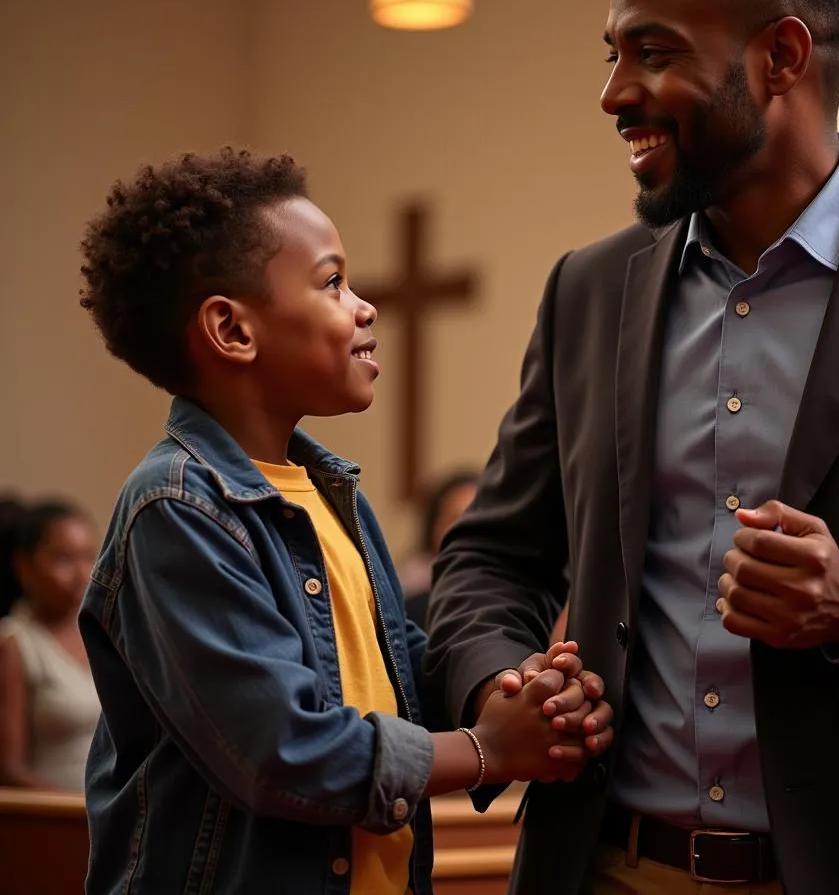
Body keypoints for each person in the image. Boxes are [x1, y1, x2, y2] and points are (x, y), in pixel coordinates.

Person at [423, 0, 839, 895]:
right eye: (609, 54)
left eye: (649, 51)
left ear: (781, 56)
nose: (615, 92)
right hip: (607, 865)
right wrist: (505, 682)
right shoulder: (590, 288)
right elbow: (490, 553)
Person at [76, 149, 614, 895]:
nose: (364, 306)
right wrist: (487, 750)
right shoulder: (177, 511)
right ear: (233, 330)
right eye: (333, 282)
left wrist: (517, 694)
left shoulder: (330, 495)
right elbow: (281, 751)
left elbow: (399, 672)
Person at [0, 498, 100, 790]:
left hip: (111, 821)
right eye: (64, 559)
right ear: (24, 566)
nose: (82, 574)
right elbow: (9, 771)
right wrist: (80, 810)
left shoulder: (104, 634)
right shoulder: (14, 644)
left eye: (89, 557)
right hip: (56, 823)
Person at [402, 470, 478, 631]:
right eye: (455, 519)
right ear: (433, 529)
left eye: (479, 520)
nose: (468, 531)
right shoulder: (403, 607)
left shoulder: (521, 603)